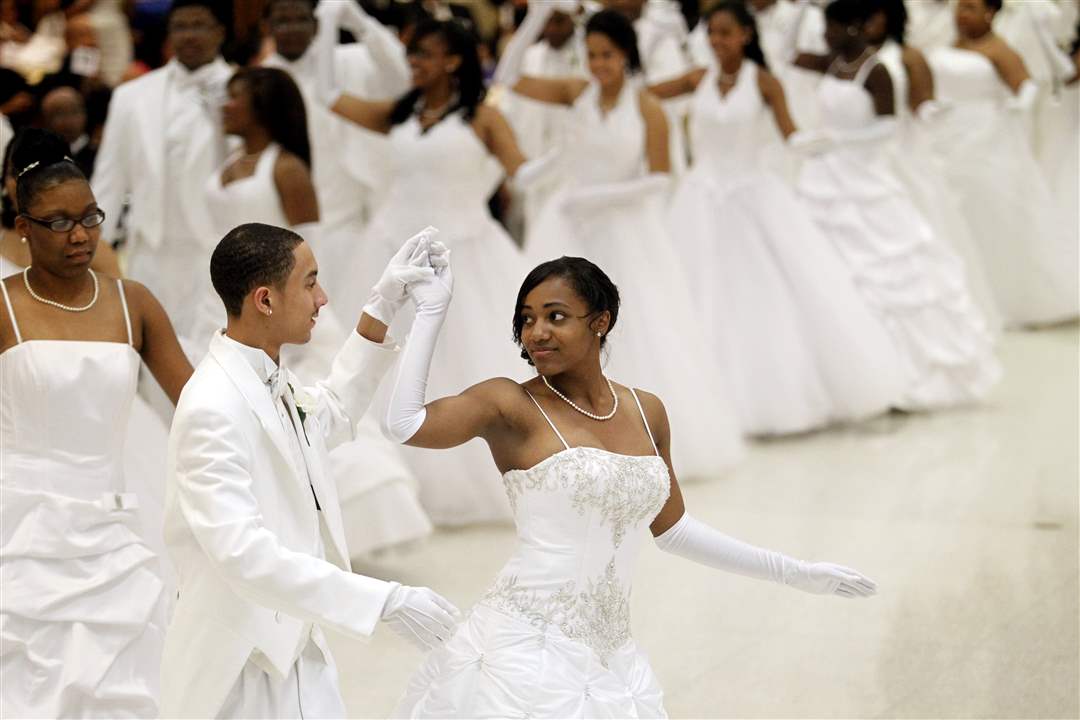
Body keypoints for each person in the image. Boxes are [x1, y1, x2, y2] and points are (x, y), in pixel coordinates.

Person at [384, 254, 878, 717]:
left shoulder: (646, 409)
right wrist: (430, 311)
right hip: (521, 647)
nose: (536, 332)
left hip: (613, 654)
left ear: (600, 321)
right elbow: (404, 424)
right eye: (527, 319)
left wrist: (793, 572)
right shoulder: (509, 404)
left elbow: (674, 530)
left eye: (555, 316)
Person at [160, 225, 459, 718]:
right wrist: (381, 599)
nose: (322, 298)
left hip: (297, 647)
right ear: (264, 300)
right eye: (309, 283)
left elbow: (332, 413)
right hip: (238, 668)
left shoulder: (270, 375)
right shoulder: (212, 406)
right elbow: (242, 554)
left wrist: (381, 308)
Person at [496, 4, 745, 471]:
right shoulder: (576, 93)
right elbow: (508, 78)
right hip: (571, 226)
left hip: (624, 231)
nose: (597, 65)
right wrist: (537, 15)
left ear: (625, 56)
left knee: (639, 331)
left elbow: (661, 178)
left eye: (606, 55)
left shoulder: (647, 106)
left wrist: (600, 198)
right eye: (590, 55)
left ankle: (629, 434)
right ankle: (568, 432)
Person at [0, 128, 193, 717]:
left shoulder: (133, 302)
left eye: (90, 217)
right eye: (58, 222)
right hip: (20, 528)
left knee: (124, 675)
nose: (79, 234)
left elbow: (201, 403)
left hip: (112, 523)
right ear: (23, 226)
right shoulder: (2, 305)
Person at [204, 65, 432, 557]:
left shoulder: (286, 168)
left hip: (283, 302)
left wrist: (309, 298)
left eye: (235, 97)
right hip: (235, 301)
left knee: (312, 406)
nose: (225, 105)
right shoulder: (226, 165)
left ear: (261, 107)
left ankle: (344, 527)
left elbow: (312, 248)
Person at [319, 13, 538, 525]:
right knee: (381, 359)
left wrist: (564, 161)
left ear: (453, 61)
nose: (412, 63)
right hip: (393, 248)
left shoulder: (483, 118)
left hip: (465, 252)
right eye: (412, 53)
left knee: (461, 359)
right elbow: (328, 94)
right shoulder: (399, 114)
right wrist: (338, 19)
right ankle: (390, 484)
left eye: (423, 54)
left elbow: (521, 171)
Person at [656, 1, 904, 435]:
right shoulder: (698, 78)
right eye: (711, 33)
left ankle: (764, 395)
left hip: (751, 197)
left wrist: (835, 142)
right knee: (695, 292)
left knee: (758, 297)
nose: (717, 41)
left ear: (746, 36)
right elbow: (644, 93)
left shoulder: (765, 83)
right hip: (699, 199)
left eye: (726, 33)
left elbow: (792, 136)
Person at [790, 0, 1000, 410]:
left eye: (832, 28)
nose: (826, 36)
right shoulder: (832, 63)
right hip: (824, 179)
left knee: (887, 269)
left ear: (853, 27)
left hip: (865, 179)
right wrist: (801, 7)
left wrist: (838, 142)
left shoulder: (877, 70)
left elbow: (886, 127)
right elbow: (788, 55)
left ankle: (907, 371)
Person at [926, 0, 1078, 327]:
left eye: (970, 7)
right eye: (959, 8)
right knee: (951, 207)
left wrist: (1012, 111)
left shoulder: (998, 48)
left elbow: (1026, 87)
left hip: (983, 133)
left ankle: (1002, 291)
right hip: (945, 131)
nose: (961, 14)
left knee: (988, 206)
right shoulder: (951, 44)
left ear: (990, 13)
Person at [91, 0, 232, 345]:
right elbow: (109, 179)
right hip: (150, 250)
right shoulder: (131, 96)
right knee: (148, 350)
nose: (190, 35)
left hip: (216, 248)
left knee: (213, 352)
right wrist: (95, 247)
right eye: (181, 26)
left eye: (200, 25)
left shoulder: (244, 90)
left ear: (220, 32)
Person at [862, 0, 1001, 329]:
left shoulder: (910, 56)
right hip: (864, 157)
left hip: (903, 150)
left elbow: (922, 102)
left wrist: (934, 115)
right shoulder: (851, 57)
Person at [262, 0, 412, 299]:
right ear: (268, 27)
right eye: (282, 20)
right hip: (291, 218)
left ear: (315, 25)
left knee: (358, 302)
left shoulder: (349, 60)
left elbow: (403, 76)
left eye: (300, 19)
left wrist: (360, 23)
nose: (291, 29)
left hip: (356, 210)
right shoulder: (261, 81)